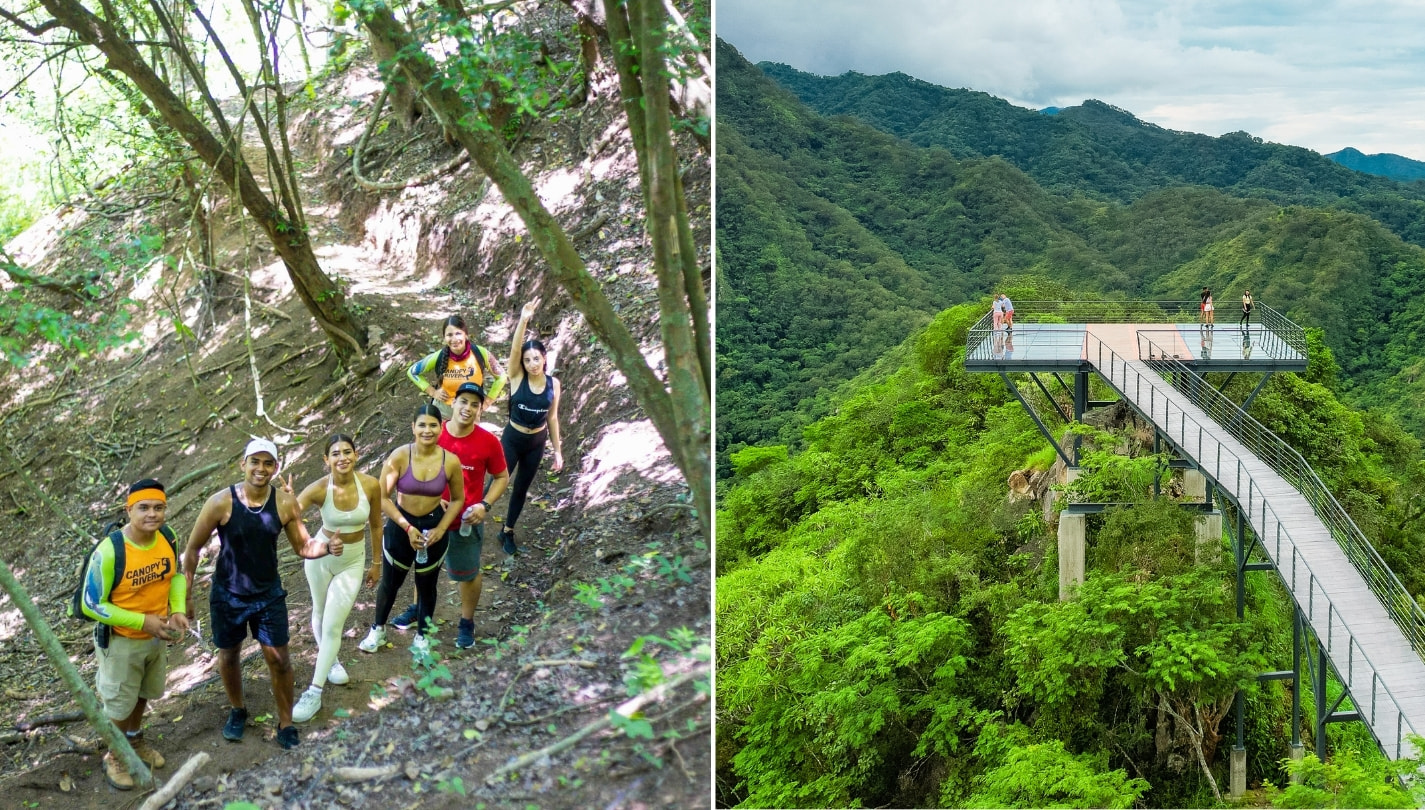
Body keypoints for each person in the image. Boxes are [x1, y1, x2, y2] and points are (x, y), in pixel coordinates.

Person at [183, 438, 343, 750]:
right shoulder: (220, 502)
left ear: (275, 468)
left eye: (267, 463)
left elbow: (302, 546)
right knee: (229, 655)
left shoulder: (284, 503)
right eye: (254, 461)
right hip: (228, 593)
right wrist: (186, 595)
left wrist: (326, 547)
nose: (261, 468)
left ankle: (286, 721)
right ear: (243, 464)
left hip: (268, 593)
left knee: (280, 659)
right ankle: (238, 710)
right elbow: (191, 548)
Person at [81, 478, 189, 789]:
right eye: (143, 508)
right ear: (129, 510)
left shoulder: (168, 537)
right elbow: (91, 604)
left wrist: (178, 609)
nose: (152, 514)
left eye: (158, 508)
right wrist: (143, 622)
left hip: (157, 637)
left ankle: (134, 740)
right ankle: (115, 756)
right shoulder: (110, 551)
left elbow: (176, 575)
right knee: (118, 705)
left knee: (143, 693)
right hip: (122, 642)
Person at [387, 383, 510, 649]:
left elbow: (501, 477)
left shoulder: (488, 441)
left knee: (467, 573)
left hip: (464, 521)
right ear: (453, 402)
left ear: (480, 409)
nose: (468, 408)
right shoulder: (434, 431)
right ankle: (419, 610)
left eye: (474, 404)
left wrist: (484, 505)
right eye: (463, 401)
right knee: (423, 567)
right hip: (426, 519)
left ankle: (466, 622)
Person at [285, 435, 384, 723]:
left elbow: (376, 526)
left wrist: (376, 563)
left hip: (353, 559)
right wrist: (288, 500)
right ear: (326, 460)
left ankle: (314, 693)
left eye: (347, 452)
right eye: (335, 454)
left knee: (334, 623)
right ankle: (332, 661)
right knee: (319, 611)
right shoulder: (319, 488)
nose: (342, 458)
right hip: (320, 555)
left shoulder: (370, 484)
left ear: (356, 455)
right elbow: (289, 514)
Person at [359, 405, 464, 656]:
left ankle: (422, 637)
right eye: (422, 425)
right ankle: (378, 630)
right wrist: (406, 526)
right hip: (400, 524)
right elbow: (382, 497)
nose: (427, 430)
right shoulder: (399, 456)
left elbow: (458, 499)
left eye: (433, 425)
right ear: (413, 428)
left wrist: (441, 528)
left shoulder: (450, 461)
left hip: (433, 527)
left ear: (441, 427)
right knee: (391, 582)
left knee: (427, 584)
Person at [498, 300, 563, 557]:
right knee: (499, 481)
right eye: (527, 360)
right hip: (513, 439)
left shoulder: (553, 384)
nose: (532, 363)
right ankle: (472, 519)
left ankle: (507, 530)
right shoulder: (516, 377)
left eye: (537, 358)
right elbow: (514, 351)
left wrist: (558, 451)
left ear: (544, 359)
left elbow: (553, 418)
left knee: (521, 488)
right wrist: (523, 320)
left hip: (536, 443)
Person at [406, 315, 506, 419]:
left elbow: (502, 377)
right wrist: (433, 392)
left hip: (470, 412)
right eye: (449, 335)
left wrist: (487, 402)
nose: (454, 339)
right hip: (444, 412)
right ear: (444, 338)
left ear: (466, 335)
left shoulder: (480, 353)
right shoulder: (438, 356)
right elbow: (412, 372)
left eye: (458, 333)